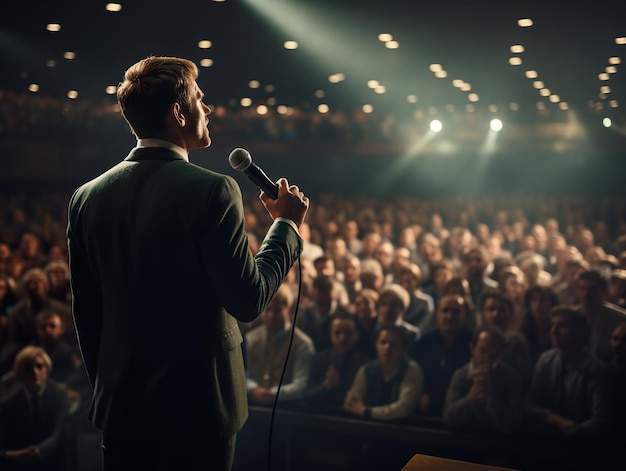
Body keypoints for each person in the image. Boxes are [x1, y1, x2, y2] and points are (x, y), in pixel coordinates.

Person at [66, 56, 309, 471]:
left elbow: (87, 315)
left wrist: (111, 385)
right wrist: (286, 225)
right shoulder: (213, 190)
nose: (208, 109)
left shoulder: (86, 196)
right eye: (200, 98)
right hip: (199, 408)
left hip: (121, 408)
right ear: (178, 113)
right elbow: (248, 300)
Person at [526, 307, 613, 437]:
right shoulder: (546, 360)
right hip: (546, 436)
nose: (554, 331)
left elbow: (601, 420)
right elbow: (533, 403)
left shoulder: (596, 369)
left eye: (562, 326)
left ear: (580, 332)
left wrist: (576, 430)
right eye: (553, 325)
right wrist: (553, 419)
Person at [0, 346, 70, 471]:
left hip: (52, 459)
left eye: (39, 366)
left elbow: (59, 431)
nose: (35, 372)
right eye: (28, 368)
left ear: (46, 368)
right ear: (21, 371)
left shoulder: (59, 393)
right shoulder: (10, 403)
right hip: (21, 463)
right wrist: (13, 454)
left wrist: (38, 451)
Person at [444, 326, 524, 434]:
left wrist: (491, 399)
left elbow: (512, 424)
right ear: (472, 348)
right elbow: (449, 418)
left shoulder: (510, 377)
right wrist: (470, 398)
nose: (488, 358)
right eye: (483, 350)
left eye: (495, 354)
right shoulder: (460, 376)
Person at [246, 284, 314, 405]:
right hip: (253, 404)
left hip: (285, 408)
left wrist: (272, 394)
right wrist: (253, 389)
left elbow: (301, 384)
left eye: (277, 310)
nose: (271, 316)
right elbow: (243, 374)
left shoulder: (302, 344)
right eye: (267, 310)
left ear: (289, 310)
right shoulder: (251, 338)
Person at [410, 294, 472, 417]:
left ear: (464, 315)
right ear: (437, 314)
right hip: (426, 409)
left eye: (456, 312)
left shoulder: (472, 344)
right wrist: (422, 393)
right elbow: (413, 371)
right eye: (445, 311)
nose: (449, 316)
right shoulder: (425, 342)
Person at [343, 324, 423, 421]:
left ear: (403, 349)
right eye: (383, 342)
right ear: (376, 345)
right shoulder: (367, 370)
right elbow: (352, 403)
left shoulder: (411, 370)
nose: (387, 347)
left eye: (393, 344)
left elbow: (403, 408)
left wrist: (368, 412)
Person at [305, 312, 367, 411]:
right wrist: (325, 385)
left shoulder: (364, 364)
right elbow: (307, 395)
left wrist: (339, 385)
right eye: (337, 333)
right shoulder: (319, 359)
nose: (342, 338)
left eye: (348, 333)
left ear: (357, 335)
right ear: (330, 334)